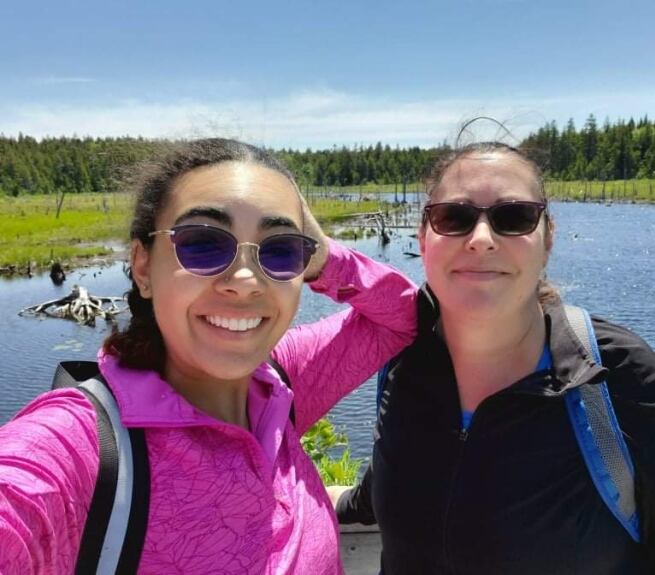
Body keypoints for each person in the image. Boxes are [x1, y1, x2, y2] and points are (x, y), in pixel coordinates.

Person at [0, 138, 417, 574]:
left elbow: (403, 315)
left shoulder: (279, 382)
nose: (245, 280)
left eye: (280, 250)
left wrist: (324, 255)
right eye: (202, 244)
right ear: (143, 267)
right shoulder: (82, 448)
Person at [333, 140, 655, 574]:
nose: (482, 239)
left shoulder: (616, 374)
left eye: (514, 217)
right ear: (424, 238)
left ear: (547, 239)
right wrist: (330, 501)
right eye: (454, 217)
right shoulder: (404, 363)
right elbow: (401, 468)